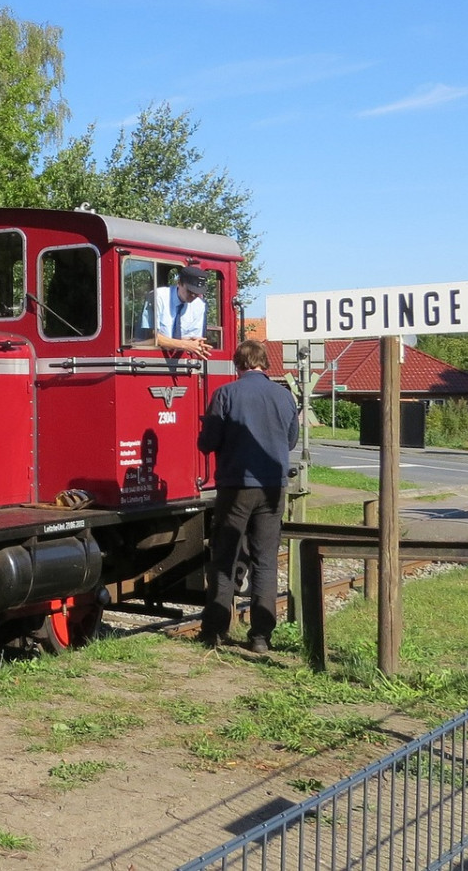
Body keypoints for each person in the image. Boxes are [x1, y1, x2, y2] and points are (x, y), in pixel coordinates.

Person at [196, 339, 300, 654]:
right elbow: (291, 440)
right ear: (264, 363)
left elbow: (207, 442)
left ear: (237, 364)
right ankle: (260, 637)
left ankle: (214, 631)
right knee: (265, 561)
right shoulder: (284, 396)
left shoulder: (226, 394)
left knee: (225, 557)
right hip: (272, 488)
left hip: (235, 487)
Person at [152, 265, 211, 355]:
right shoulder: (158, 297)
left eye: (197, 293)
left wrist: (196, 345)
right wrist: (184, 344)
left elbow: (193, 340)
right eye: (190, 291)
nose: (194, 296)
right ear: (179, 283)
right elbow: (150, 337)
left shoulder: (199, 305)